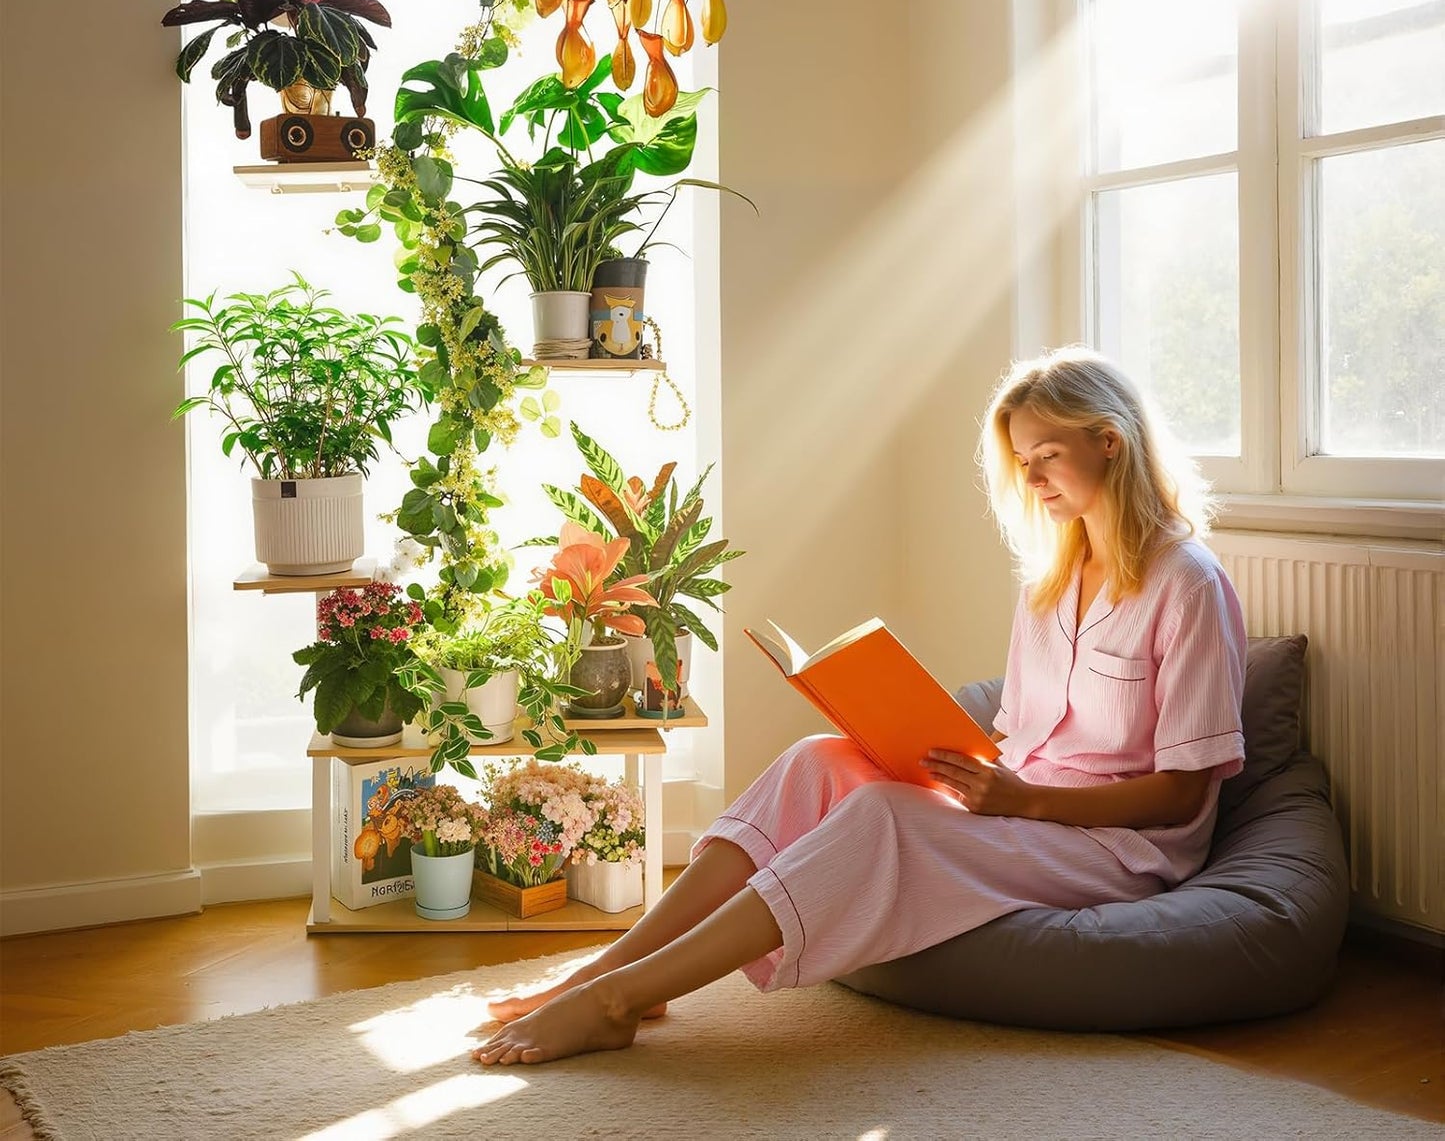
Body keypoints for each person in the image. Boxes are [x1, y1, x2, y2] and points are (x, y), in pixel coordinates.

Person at [473, 347, 1246, 1066]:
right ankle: (623, 964)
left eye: (1048, 455)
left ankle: (614, 1000)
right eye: (1022, 462)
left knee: (882, 815)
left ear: (1108, 442)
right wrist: (928, 748)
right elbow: (1023, 732)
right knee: (816, 757)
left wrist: (1023, 800)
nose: (1034, 478)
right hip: (1025, 807)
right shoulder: (1051, 580)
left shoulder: (1187, 584)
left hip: (1116, 848)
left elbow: (1182, 792)